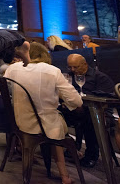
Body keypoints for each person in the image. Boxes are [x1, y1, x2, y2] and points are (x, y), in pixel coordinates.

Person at [5, 42, 82, 184]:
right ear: (45, 55)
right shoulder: (52, 71)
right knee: (55, 121)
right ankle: (64, 174)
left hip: (19, 123)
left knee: (51, 120)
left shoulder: (13, 69)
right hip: (47, 125)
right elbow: (76, 101)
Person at [61, 53, 115, 168]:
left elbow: (108, 100)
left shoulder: (100, 78)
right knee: (56, 113)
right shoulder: (69, 76)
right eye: (69, 67)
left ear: (84, 64)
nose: (72, 70)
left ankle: (91, 156)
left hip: (99, 112)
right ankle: (71, 148)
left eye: (75, 67)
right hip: (76, 111)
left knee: (90, 120)